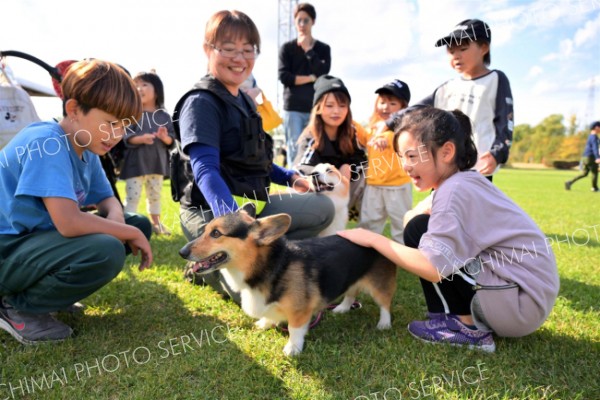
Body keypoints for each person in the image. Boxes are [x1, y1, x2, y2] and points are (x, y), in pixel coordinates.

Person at [338, 106, 559, 352]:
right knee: (418, 227)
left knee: (422, 236)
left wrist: (371, 238)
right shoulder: (465, 181)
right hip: (522, 300)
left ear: (447, 152)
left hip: (517, 304)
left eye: (412, 156)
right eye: (401, 157)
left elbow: (432, 267)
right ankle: (453, 317)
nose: (405, 166)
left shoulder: (454, 191)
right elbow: (413, 218)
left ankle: (465, 328)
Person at [172, 10, 334, 304]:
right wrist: (236, 223)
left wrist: (290, 177)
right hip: (212, 213)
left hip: (250, 207)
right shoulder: (200, 103)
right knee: (254, 294)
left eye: (248, 50)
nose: (239, 58)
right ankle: (202, 267)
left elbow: (255, 160)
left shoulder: (245, 100)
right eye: (229, 49)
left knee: (323, 208)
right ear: (208, 49)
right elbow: (206, 170)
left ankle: (258, 257)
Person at [0, 59, 153, 345]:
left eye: (123, 127)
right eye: (110, 123)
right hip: (7, 247)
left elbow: (108, 199)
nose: (117, 135)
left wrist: (120, 223)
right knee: (107, 248)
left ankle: (46, 295)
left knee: (138, 224)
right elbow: (69, 222)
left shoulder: (86, 148)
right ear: (73, 110)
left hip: (33, 244)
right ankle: (17, 307)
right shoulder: (47, 142)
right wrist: (123, 233)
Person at [384, 19, 513, 182]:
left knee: (472, 207)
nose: (456, 56)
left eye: (463, 49)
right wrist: (388, 123)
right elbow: (416, 109)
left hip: (478, 167)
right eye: (451, 51)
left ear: (484, 48)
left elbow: (506, 123)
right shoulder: (447, 88)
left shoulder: (495, 80)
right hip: (443, 166)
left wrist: (497, 154)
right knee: (440, 205)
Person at [293, 75, 367, 222]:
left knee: (368, 172)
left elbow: (362, 159)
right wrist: (329, 173)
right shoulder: (311, 135)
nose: (336, 111)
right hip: (318, 191)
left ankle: (363, 218)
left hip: (344, 190)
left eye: (342, 105)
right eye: (329, 105)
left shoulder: (351, 131)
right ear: (318, 108)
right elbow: (301, 168)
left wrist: (347, 169)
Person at [357, 79, 412, 243]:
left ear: (403, 107)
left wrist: (385, 138)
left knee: (401, 225)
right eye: (382, 102)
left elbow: (399, 138)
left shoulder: (406, 127)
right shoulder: (373, 126)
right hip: (374, 185)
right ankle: (364, 251)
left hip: (398, 186)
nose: (385, 107)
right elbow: (365, 137)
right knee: (369, 223)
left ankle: (404, 255)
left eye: (392, 103)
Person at [120, 71, 175, 235]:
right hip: (135, 164)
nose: (139, 88)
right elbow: (125, 136)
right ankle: (126, 226)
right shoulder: (132, 113)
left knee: (155, 196)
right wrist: (140, 138)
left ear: (157, 90)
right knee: (132, 196)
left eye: (144, 84)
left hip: (156, 164)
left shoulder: (164, 116)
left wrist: (165, 137)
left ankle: (156, 225)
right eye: (136, 85)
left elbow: (172, 141)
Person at [278, 2, 331, 167]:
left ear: (313, 22)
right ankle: (295, 186)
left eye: (305, 20)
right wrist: (311, 77)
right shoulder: (287, 48)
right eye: (299, 20)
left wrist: (308, 51)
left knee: (317, 146)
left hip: (315, 107)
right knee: (295, 147)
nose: (302, 24)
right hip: (292, 108)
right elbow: (284, 76)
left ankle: (315, 185)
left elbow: (323, 74)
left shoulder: (323, 48)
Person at [565, 121, 600, 192]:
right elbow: (595, 148)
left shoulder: (591, 136)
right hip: (590, 157)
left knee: (584, 173)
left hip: (585, 157)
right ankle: (594, 188)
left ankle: (569, 182)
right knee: (595, 172)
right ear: (596, 128)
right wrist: (597, 157)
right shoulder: (594, 137)